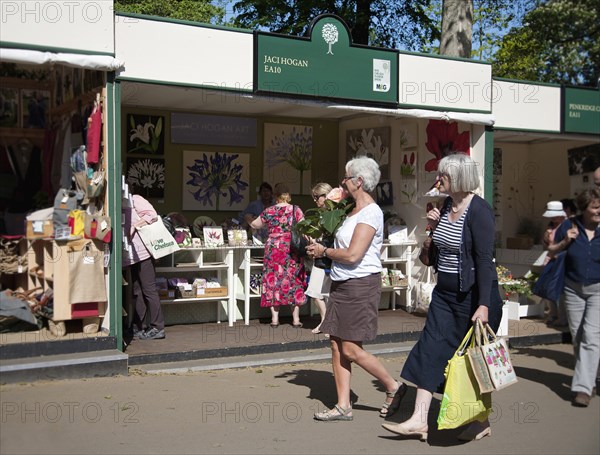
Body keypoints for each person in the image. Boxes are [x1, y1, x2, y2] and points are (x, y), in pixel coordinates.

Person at [382, 152, 502, 441]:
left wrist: (484, 305)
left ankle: (479, 421)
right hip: (444, 297)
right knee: (431, 350)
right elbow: (433, 258)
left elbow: (485, 261)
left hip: (472, 299)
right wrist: (433, 230)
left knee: (471, 363)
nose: (438, 180)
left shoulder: (480, 211)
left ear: (459, 178)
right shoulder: (446, 206)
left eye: (443, 176)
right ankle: (420, 420)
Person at [307, 156, 400, 422]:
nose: (342, 183)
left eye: (346, 178)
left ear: (359, 181)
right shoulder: (351, 208)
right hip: (341, 282)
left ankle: (393, 386)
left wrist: (325, 250)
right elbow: (334, 234)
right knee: (336, 345)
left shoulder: (371, 212)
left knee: (349, 349)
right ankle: (343, 405)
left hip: (360, 284)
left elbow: (352, 255)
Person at [548, 188, 600, 407]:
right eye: (595, 207)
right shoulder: (570, 225)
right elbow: (551, 251)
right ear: (584, 208)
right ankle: (591, 377)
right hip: (573, 289)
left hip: (598, 290)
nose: (599, 211)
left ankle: (582, 388)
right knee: (578, 337)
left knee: (591, 335)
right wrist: (565, 242)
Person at [250, 182, 307, 327]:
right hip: (291, 248)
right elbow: (304, 227)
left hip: (274, 248)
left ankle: (275, 320)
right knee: (294, 281)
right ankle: (296, 320)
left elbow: (254, 224)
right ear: (288, 195)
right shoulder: (296, 209)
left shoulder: (269, 210)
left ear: (276, 196)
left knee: (273, 281)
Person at [124, 185, 166, 340]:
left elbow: (152, 215)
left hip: (144, 252)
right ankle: (139, 326)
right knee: (136, 291)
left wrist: (135, 226)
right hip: (131, 255)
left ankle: (158, 327)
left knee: (149, 290)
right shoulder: (119, 204)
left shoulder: (134, 199)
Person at [306, 182, 334, 334]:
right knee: (314, 290)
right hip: (320, 256)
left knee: (328, 292)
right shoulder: (320, 215)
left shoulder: (334, 214)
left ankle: (328, 322)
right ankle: (325, 321)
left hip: (330, 256)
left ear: (326, 196)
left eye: (317, 197)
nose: (315, 201)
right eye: (314, 198)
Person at [541, 201, 568, 327]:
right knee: (549, 288)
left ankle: (562, 317)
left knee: (560, 292)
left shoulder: (567, 225)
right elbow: (547, 245)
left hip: (562, 261)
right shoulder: (551, 226)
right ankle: (553, 314)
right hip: (552, 260)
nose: (553, 218)